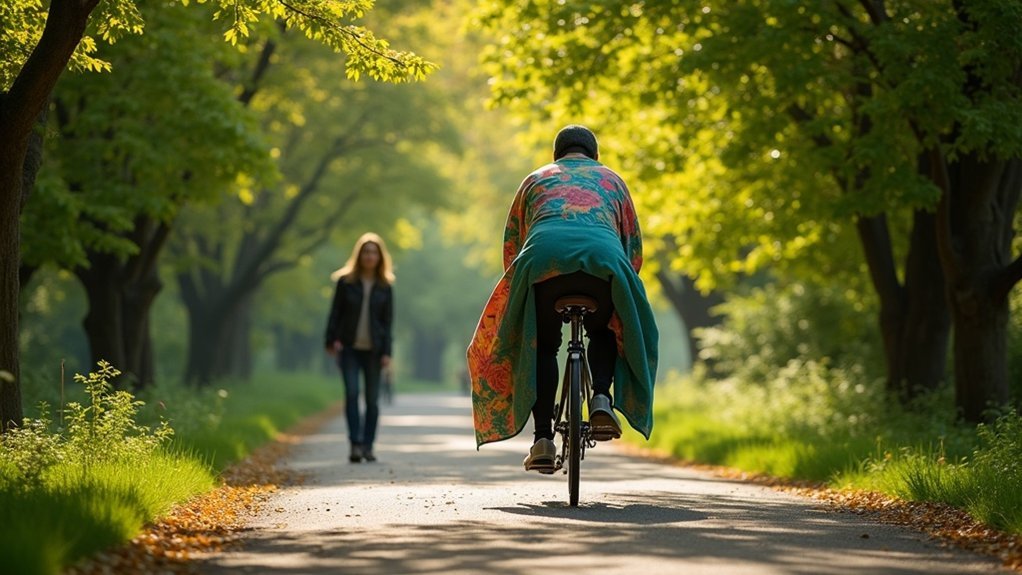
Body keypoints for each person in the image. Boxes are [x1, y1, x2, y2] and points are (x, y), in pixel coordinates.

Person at [466, 124, 659, 473]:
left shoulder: (535, 179)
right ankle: (601, 396)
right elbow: (632, 244)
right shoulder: (612, 180)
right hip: (604, 263)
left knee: (543, 346)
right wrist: (622, 288)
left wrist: (523, 287)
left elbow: (514, 243)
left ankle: (542, 439)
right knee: (604, 329)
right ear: (593, 154)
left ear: (557, 154)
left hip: (543, 262)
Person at [325, 232, 394, 463]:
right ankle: (354, 444)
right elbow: (336, 312)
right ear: (359, 254)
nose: (369, 256)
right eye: (366, 251)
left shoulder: (385, 286)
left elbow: (387, 322)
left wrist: (387, 352)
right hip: (349, 348)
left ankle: (368, 446)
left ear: (379, 257)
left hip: (374, 351)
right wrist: (330, 339)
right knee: (352, 394)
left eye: (374, 252)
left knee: (373, 401)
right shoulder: (346, 282)